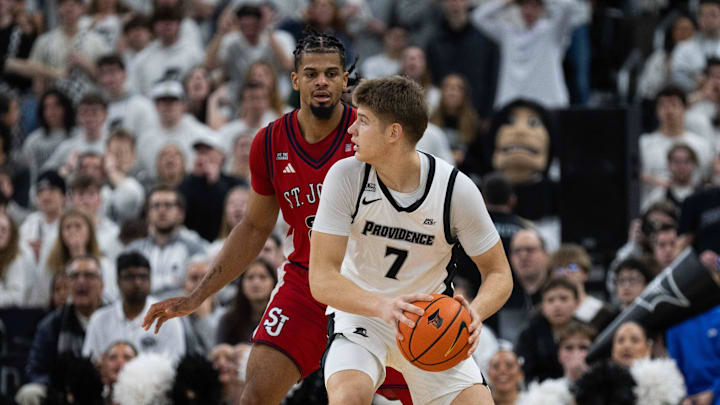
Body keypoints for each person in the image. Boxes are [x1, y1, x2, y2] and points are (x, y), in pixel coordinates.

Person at [142, 30, 376, 405]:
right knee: (255, 395)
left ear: (344, 80)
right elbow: (253, 228)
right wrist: (197, 295)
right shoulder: (269, 142)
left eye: (332, 73)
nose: (322, 81)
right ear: (295, 79)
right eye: (312, 73)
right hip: (308, 283)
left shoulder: (368, 134)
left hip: (373, 283)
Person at [308, 75, 512, 404]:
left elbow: (499, 274)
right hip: (363, 313)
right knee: (349, 397)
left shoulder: (455, 190)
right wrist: (383, 306)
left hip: (429, 320)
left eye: (363, 121)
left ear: (394, 133)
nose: (351, 131)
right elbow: (321, 279)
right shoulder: (345, 177)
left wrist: (475, 312)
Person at [15, 255, 104, 405]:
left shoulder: (114, 316)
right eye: (74, 276)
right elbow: (35, 371)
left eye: (88, 275)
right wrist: (65, 384)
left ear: (102, 284)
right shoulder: (51, 324)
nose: (81, 281)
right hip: (63, 389)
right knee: (29, 394)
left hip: (106, 385)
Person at [83, 251, 185, 362]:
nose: (137, 283)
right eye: (130, 277)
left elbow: (175, 365)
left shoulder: (168, 320)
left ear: (150, 281)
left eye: (143, 276)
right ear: (117, 282)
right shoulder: (99, 320)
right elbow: (91, 364)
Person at [515, 278, 579, 384]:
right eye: (550, 300)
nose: (557, 305)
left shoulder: (588, 331)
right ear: (543, 306)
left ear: (576, 303)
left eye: (564, 299)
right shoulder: (529, 335)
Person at [216, 258, 277, 345]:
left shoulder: (280, 320)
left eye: (262, 277)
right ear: (241, 284)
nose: (256, 283)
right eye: (250, 277)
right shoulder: (228, 319)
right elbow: (219, 351)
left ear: (274, 282)